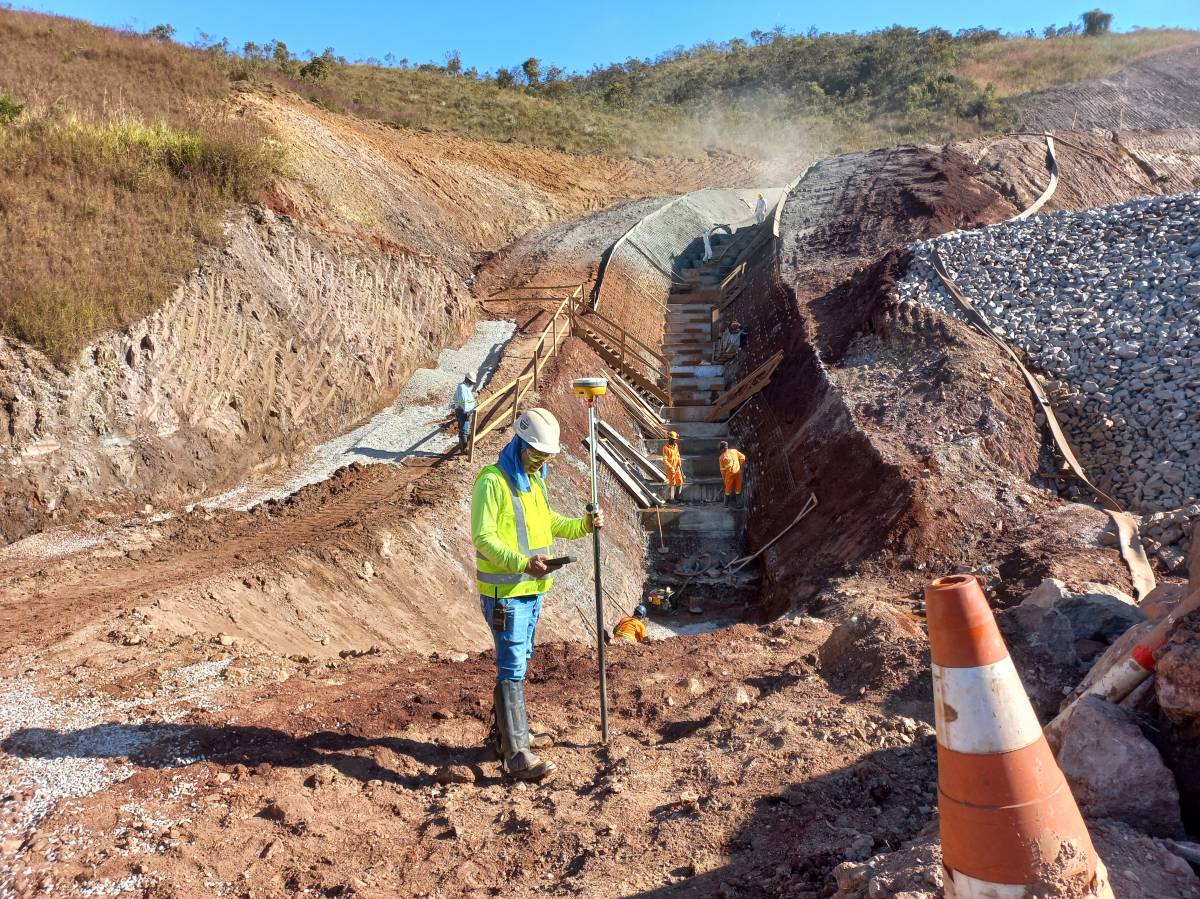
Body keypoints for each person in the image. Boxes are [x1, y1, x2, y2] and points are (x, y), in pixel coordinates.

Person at [471, 407, 602, 781]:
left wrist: (584, 525)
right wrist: (521, 562)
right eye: (538, 454)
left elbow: (551, 523)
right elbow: (483, 537)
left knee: (520, 661)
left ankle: (507, 734)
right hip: (506, 592)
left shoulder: (536, 481)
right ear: (521, 443)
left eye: (547, 457)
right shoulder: (492, 482)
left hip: (532, 590)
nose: (542, 461)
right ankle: (515, 753)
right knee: (511, 665)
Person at [453, 373, 477, 451]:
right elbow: (463, 401)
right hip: (463, 411)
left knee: (465, 429)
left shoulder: (465, 387)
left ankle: (463, 446)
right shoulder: (462, 388)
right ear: (467, 379)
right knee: (463, 430)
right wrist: (467, 412)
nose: (472, 384)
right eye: (471, 382)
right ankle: (464, 449)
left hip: (466, 411)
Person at [718, 440, 746, 507]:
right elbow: (743, 458)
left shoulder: (721, 457)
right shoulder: (734, 451)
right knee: (738, 488)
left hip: (729, 474)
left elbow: (722, 471)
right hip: (738, 472)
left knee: (727, 489)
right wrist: (739, 466)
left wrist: (724, 480)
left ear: (721, 449)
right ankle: (739, 504)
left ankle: (725, 504)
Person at [662, 431, 684, 502]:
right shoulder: (665, 448)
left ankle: (677, 496)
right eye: (674, 439)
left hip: (677, 467)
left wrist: (679, 464)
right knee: (672, 483)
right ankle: (671, 499)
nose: (675, 441)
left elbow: (678, 455)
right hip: (670, 469)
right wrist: (671, 468)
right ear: (670, 439)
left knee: (680, 481)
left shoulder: (676, 446)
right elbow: (665, 460)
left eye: (675, 440)